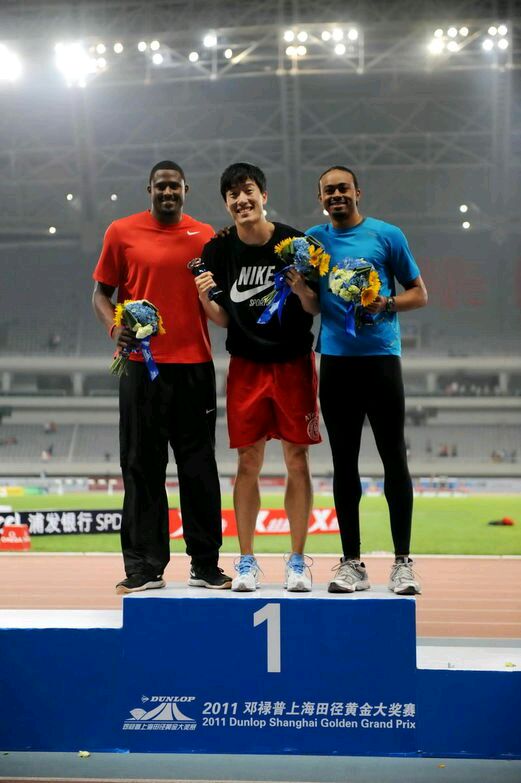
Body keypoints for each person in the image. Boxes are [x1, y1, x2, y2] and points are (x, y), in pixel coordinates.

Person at [92, 160, 231, 594]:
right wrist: (115, 328)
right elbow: (100, 294)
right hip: (140, 365)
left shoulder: (206, 236)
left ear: (186, 189)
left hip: (195, 367)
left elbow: (219, 296)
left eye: (175, 186)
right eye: (160, 186)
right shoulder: (121, 232)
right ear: (149, 190)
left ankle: (205, 564)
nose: (168, 192)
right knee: (140, 466)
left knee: (199, 468)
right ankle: (144, 568)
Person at [194, 162, 321, 592]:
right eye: (233, 195)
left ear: (263, 195)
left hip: (293, 364)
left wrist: (302, 288)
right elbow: (223, 319)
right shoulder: (218, 250)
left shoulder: (297, 243)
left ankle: (298, 561)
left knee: (297, 459)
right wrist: (204, 299)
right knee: (248, 461)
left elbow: (314, 307)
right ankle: (246, 560)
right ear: (226, 203)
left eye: (248, 191)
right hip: (246, 365)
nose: (241, 200)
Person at [307, 165, 428, 595]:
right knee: (344, 464)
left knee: (394, 459)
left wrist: (385, 303)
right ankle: (351, 563)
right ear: (321, 198)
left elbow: (420, 293)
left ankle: (402, 563)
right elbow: (313, 305)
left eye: (343, 188)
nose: (336, 195)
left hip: (380, 360)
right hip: (336, 364)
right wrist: (299, 290)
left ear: (357, 192)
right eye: (328, 191)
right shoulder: (313, 241)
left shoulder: (387, 235)